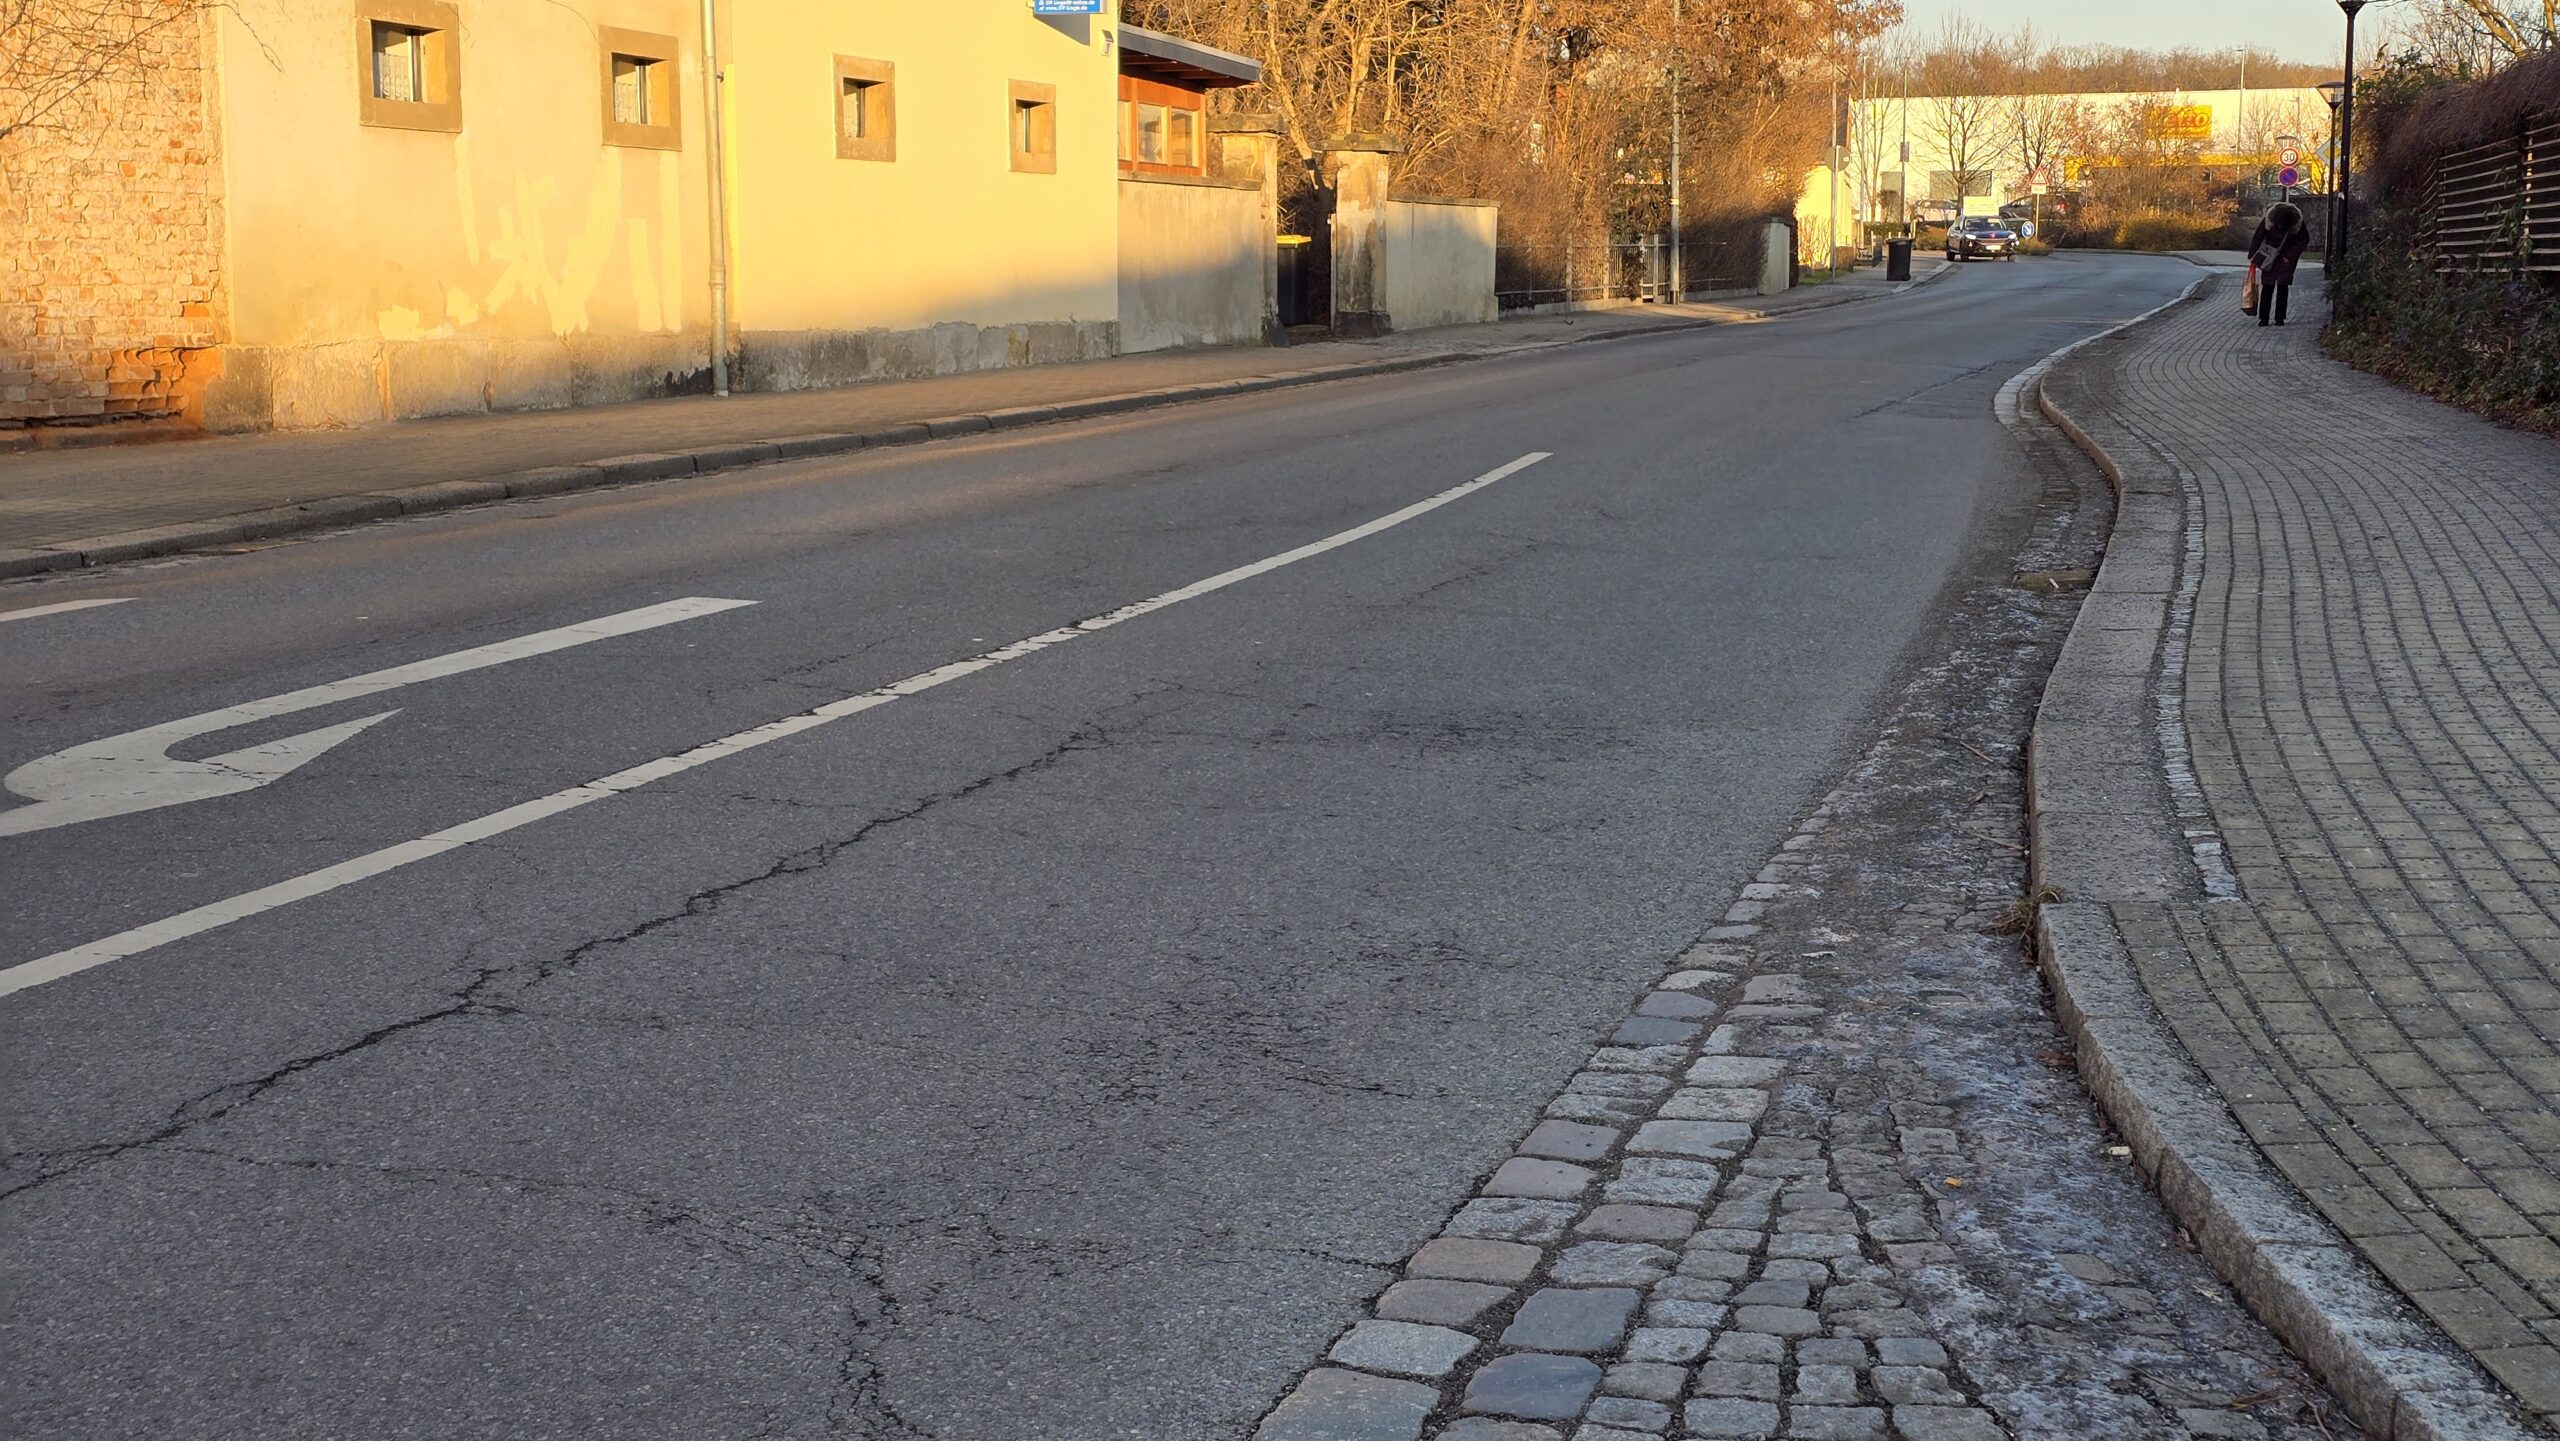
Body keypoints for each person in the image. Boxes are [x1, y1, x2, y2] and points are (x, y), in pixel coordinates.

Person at [2247, 201, 2312, 327]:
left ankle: (2279, 318)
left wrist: (2290, 256)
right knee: (2267, 286)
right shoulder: (2270, 219)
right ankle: (2264, 318)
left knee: (2282, 287)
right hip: (2269, 256)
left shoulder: (2296, 221)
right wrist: (2252, 255)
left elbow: (2303, 240)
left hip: (2285, 258)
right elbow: (2258, 235)